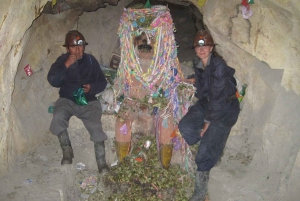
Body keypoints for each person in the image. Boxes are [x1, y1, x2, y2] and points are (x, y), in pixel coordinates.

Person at [178, 30, 240, 201]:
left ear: (211, 47)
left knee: (204, 153)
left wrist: (207, 122)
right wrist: (192, 80)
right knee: (185, 126)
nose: (202, 49)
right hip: (209, 102)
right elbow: (205, 83)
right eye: (199, 47)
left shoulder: (218, 66)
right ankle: (212, 145)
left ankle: (200, 193)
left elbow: (218, 98)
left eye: (205, 46)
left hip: (225, 108)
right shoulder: (200, 64)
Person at [47, 30, 109, 173]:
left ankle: (101, 161)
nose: (77, 50)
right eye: (74, 47)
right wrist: (66, 65)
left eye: (80, 46)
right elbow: (53, 81)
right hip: (67, 100)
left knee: (95, 125)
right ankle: (67, 151)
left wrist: (91, 88)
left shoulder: (90, 60)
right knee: (58, 117)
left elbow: (102, 82)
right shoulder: (62, 61)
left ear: (84, 47)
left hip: (89, 101)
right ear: (67, 49)